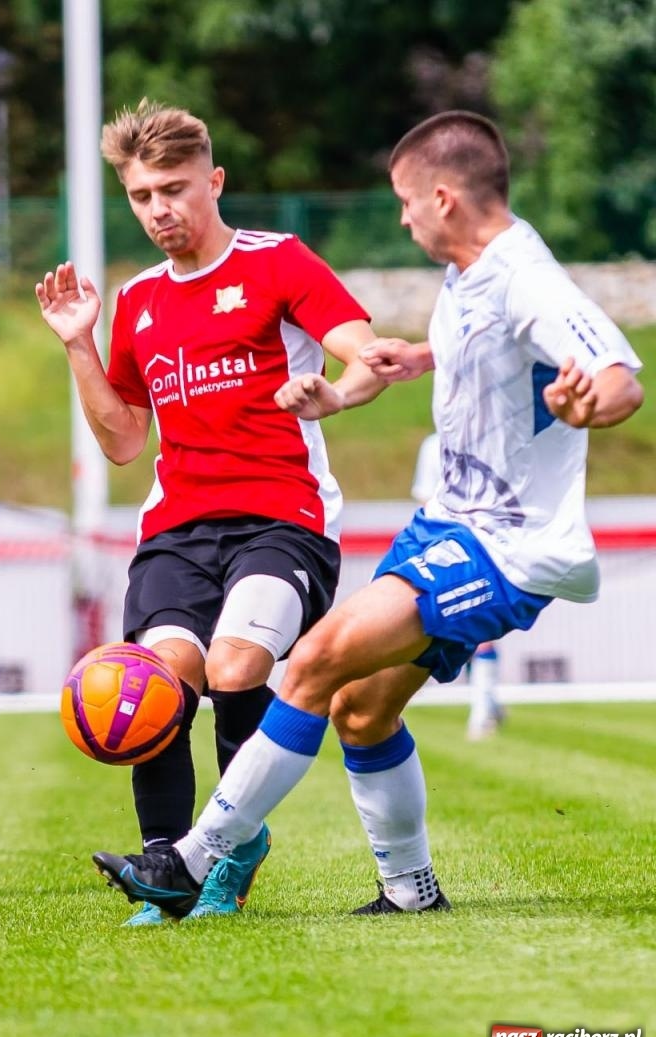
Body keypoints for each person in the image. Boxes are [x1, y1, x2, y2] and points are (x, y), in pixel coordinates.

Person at [100, 110, 643, 918]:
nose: (400, 217)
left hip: (505, 545)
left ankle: (194, 856)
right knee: (361, 708)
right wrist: (391, 370)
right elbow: (457, 355)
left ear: (445, 197)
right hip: (450, 526)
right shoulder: (469, 276)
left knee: (315, 661)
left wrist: (590, 400)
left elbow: (619, 374)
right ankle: (411, 892)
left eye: (405, 201)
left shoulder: (527, 278)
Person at [37, 99, 384, 924]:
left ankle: (226, 850)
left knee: (234, 668)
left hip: (282, 518)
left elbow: (369, 353)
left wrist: (332, 393)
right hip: (178, 531)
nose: (160, 209)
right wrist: (80, 343)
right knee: (150, 686)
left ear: (215, 181)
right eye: (140, 195)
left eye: (174, 188)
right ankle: (165, 869)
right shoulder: (140, 299)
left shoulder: (280, 263)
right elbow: (123, 441)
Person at [414, 432, 505, 739]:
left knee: (480, 631)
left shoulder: (494, 440)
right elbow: (427, 501)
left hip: (486, 546)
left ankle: (482, 710)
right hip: (448, 548)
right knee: (468, 629)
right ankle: (486, 704)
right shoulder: (435, 445)